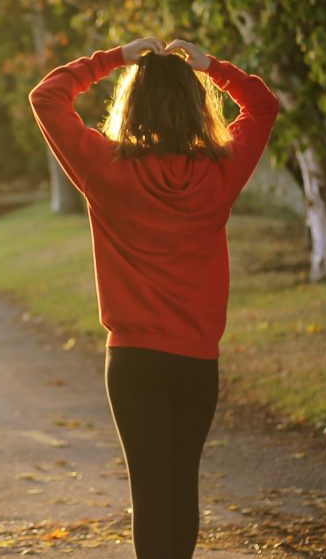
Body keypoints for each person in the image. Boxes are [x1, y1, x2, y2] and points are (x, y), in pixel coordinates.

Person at [28, 36, 279, 559]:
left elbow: (47, 96)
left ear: (132, 104)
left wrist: (115, 57)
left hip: (133, 360)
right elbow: (263, 104)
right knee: (181, 483)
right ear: (195, 105)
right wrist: (211, 65)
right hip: (195, 361)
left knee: (150, 491)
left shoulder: (108, 169)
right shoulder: (220, 171)